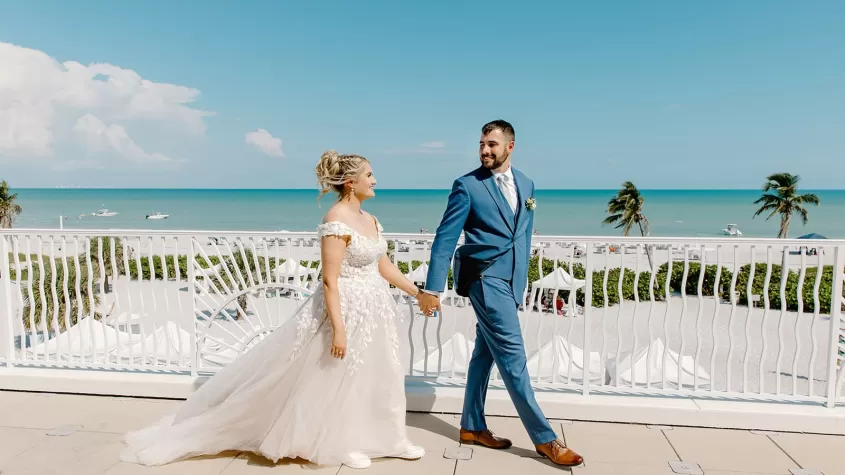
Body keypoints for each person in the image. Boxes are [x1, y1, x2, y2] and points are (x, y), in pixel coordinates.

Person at [120, 151, 425, 470]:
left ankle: (392, 439)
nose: (375, 180)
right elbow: (329, 280)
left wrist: (417, 293)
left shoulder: (370, 219)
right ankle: (342, 443)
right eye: (370, 175)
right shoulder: (335, 220)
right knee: (339, 376)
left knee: (381, 371)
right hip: (344, 307)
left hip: (376, 308)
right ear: (351, 182)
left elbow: (383, 265)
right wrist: (338, 328)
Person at [418, 120, 583, 467]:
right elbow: (445, 238)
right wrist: (433, 288)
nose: (484, 150)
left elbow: (522, 236)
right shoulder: (467, 186)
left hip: (510, 281)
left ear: (510, 146)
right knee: (513, 357)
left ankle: (472, 426)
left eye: (492, 144)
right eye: (481, 144)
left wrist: (519, 282)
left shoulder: (527, 183)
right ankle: (545, 439)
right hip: (483, 277)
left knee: (484, 354)